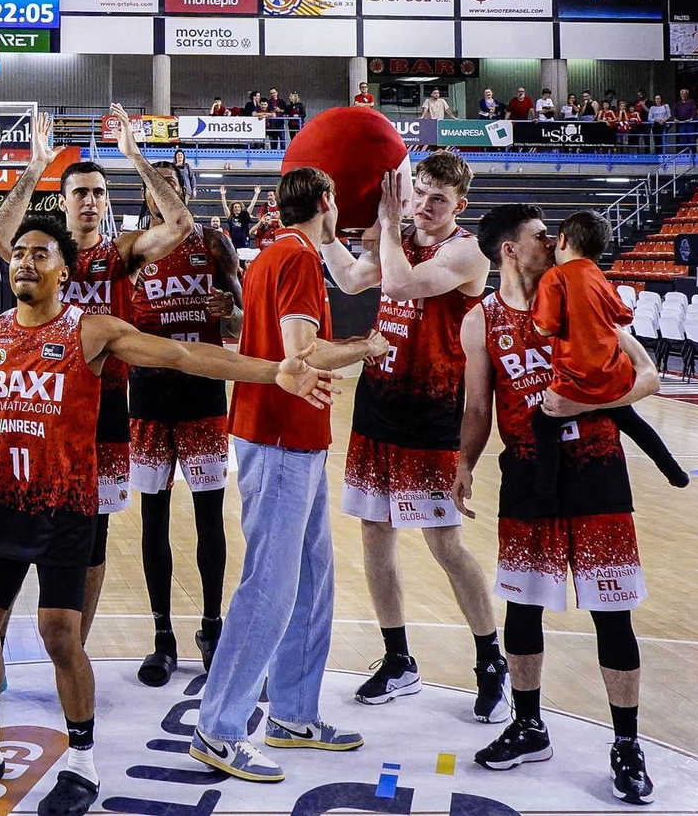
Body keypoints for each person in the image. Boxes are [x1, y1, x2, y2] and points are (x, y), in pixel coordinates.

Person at [0, 214, 341, 816]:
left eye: (41, 254)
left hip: (65, 510)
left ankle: (81, 763)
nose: (25, 261)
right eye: (19, 253)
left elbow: (181, 354)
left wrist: (271, 371)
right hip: (3, 505)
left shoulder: (91, 332)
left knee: (58, 634)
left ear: (64, 271)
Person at [0, 107, 193, 703]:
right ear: (64, 201)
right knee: (11, 534)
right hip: (38, 407)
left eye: (98, 193)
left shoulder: (120, 255)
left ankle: (72, 650)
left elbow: (177, 223)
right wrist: (38, 164)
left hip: (104, 408)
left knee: (89, 538)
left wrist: (133, 152)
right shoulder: (41, 253)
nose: (90, 202)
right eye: (79, 193)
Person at [458, 203, 664, 803]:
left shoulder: (580, 293)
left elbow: (648, 375)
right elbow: (477, 409)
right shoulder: (482, 321)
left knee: (613, 612)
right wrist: (464, 466)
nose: (554, 243)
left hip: (597, 468)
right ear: (511, 250)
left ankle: (626, 744)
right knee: (523, 610)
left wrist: (582, 404)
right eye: (541, 237)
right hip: (526, 472)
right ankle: (528, 725)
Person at [191, 168, 385, 780]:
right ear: (327, 202)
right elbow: (300, 353)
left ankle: (292, 713)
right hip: (277, 438)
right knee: (269, 589)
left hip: (285, 437)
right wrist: (364, 346)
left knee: (312, 578)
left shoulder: (273, 252)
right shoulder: (298, 257)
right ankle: (218, 728)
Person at [320, 150, 508, 721]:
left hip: (431, 412)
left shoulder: (466, 251)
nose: (424, 206)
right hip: (377, 403)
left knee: (444, 543)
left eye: (437, 200)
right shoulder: (402, 237)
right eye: (420, 192)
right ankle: (398, 658)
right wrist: (327, 228)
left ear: (460, 206)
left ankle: (491, 662)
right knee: (375, 534)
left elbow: (399, 284)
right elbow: (352, 280)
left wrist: (386, 223)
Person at [126, 190, 243, 686]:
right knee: (154, 520)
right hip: (149, 399)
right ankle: (162, 637)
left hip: (203, 398)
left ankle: (211, 628)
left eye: (171, 186)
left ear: (184, 194)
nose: (163, 196)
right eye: (155, 188)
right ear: (147, 199)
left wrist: (227, 309)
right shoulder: (130, 249)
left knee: (208, 519)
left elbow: (242, 320)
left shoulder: (214, 242)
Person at [529, 211, 686, 506]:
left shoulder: (555, 277)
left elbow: (546, 327)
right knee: (631, 420)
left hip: (576, 376)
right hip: (614, 371)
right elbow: (622, 315)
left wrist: (535, 324)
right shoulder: (597, 275)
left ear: (562, 240)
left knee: (544, 423)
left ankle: (544, 492)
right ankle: (673, 470)